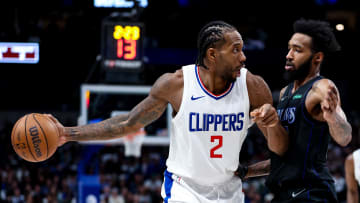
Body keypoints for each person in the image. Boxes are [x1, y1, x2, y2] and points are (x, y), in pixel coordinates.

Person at [49, 20, 288, 203]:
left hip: (230, 191)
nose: (243, 57)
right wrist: (68, 134)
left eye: (242, 49)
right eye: (235, 50)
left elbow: (282, 152)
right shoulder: (177, 84)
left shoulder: (253, 87)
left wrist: (272, 124)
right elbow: (129, 123)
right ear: (213, 55)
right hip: (184, 189)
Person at [254, 18, 352, 203]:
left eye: (297, 50)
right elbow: (284, 157)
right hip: (285, 193)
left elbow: (345, 137)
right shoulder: (284, 92)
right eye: (289, 48)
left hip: (311, 192)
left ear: (317, 57)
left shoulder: (321, 87)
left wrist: (332, 118)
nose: (289, 55)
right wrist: (247, 171)